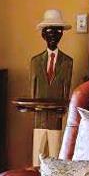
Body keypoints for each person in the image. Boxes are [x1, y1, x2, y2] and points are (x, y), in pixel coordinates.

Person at [29, 9, 73, 163]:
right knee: (36, 157)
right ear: (43, 34)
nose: (53, 36)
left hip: (56, 119)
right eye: (49, 32)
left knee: (56, 157)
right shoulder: (35, 62)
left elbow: (66, 89)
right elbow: (33, 91)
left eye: (57, 32)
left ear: (61, 34)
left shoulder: (67, 62)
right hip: (39, 118)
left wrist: (62, 111)